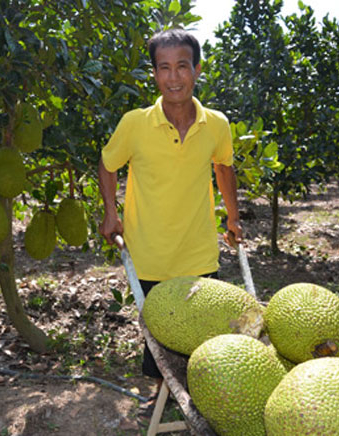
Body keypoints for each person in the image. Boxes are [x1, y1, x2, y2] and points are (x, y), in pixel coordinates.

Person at [97, 28, 243, 416]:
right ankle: (162, 388)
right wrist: (111, 212)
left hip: (198, 248)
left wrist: (232, 216)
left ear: (197, 69)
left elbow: (224, 167)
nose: (173, 77)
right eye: (164, 68)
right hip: (150, 249)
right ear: (155, 74)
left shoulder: (217, 124)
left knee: (203, 325)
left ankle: (202, 389)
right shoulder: (135, 123)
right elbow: (108, 165)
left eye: (182, 66)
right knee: (158, 331)